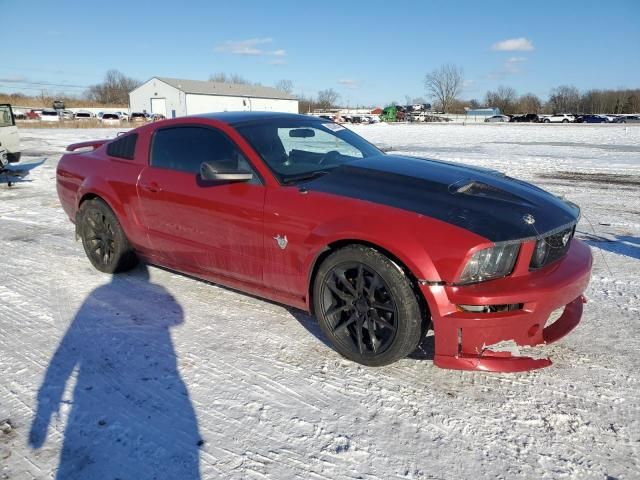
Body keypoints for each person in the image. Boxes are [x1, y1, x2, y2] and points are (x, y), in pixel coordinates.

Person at [29, 265, 201, 479]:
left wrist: (46, 407)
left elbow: (177, 317)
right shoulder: (107, 295)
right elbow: (177, 317)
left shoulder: (99, 293)